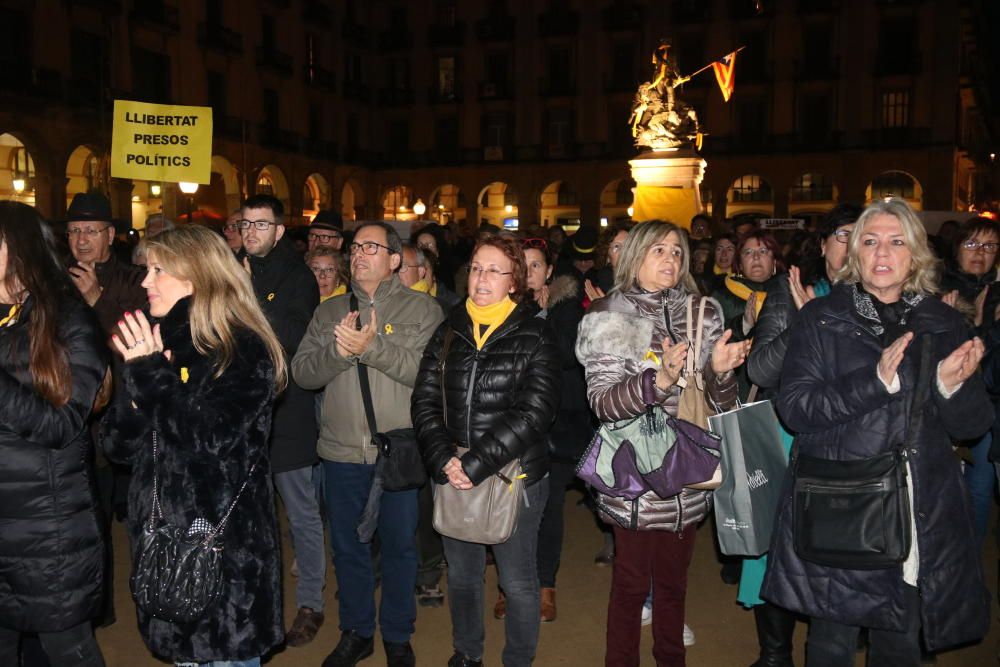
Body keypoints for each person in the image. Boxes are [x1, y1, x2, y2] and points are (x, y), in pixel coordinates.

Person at [763, 199, 993, 665]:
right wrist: (875, 382)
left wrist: (950, 387)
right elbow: (796, 408)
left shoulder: (943, 321)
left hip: (917, 506)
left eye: (895, 242)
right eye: (869, 241)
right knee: (831, 642)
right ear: (854, 255)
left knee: (901, 641)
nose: (882, 252)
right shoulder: (822, 317)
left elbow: (973, 427)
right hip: (842, 503)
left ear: (916, 255)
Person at [101, 225, 286, 666]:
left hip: (223, 558)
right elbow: (118, 447)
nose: (145, 282)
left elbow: (211, 440)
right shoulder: (158, 341)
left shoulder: (241, 348)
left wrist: (150, 375)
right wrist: (133, 392)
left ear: (197, 277)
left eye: (157, 270)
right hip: (164, 547)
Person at [575, 220, 747, 667]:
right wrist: (660, 380)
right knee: (631, 586)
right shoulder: (611, 314)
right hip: (634, 474)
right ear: (635, 255)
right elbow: (603, 403)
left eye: (676, 251)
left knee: (674, 584)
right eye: (658, 250)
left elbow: (719, 403)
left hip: (690, 469)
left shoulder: (701, 312)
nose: (670, 259)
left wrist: (723, 372)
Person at [292, 221, 444, 667]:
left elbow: (425, 375)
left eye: (371, 247)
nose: (358, 254)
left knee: (399, 547)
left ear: (395, 260)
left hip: (396, 451)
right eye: (355, 247)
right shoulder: (328, 311)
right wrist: (338, 353)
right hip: (340, 452)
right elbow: (302, 373)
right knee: (348, 548)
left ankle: (397, 633)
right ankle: (357, 631)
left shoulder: (423, 311)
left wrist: (371, 347)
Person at [412, 234, 559, 667]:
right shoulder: (448, 328)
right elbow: (423, 400)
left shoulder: (536, 333)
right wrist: (444, 458)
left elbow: (535, 413)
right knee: (462, 576)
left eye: (495, 270)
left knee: (517, 582)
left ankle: (517, 659)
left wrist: (474, 463)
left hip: (514, 476)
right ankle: (468, 653)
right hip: (454, 469)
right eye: (477, 267)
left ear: (514, 280)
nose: (482, 277)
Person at [742, 203, 862, 667]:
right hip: (788, 438)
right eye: (844, 236)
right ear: (824, 244)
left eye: (863, 237)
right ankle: (775, 655)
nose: (853, 247)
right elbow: (759, 368)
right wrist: (807, 320)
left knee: (839, 552)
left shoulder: (886, 301)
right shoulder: (791, 292)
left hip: (851, 446)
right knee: (775, 549)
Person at [0, 202, 108, 667]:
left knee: (68, 651)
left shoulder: (68, 319)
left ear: (20, 251)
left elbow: (62, 425)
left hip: (47, 529)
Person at [239, 193, 325, 647]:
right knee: (253, 520)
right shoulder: (232, 270)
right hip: (240, 416)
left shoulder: (297, 276)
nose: (250, 232)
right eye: (245, 223)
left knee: (301, 516)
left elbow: (290, 335)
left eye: (261, 224)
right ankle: (260, 605)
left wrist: (247, 297)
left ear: (278, 230)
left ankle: (311, 601)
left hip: (286, 413)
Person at [504, 236, 589, 624]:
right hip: (513, 425)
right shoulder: (503, 308)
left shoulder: (567, 309)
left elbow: (570, 357)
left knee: (548, 508)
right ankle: (512, 585)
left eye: (536, 265)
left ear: (549, 272)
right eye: (524, 265)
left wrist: (541, 321)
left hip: (556, 427)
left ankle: (545, 585)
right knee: (512, 507)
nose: (531, 273)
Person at [939, 216, 1000, 545]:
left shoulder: (998, 294)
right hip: (948, 407)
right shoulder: (937, 290)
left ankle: (971, 563)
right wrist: (972, 325)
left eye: (990, 246)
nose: (981, 253)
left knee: (979, 490)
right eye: (972, 244)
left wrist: (980, 328)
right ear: (957, 249)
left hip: (991, 412)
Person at [65, 191, 147, 336]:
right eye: (75, 230)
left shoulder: (137, 280)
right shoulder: (54, 276)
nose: (81, 240)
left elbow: (138, 338)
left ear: (110, 235)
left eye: (90, 231)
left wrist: (97, 300)